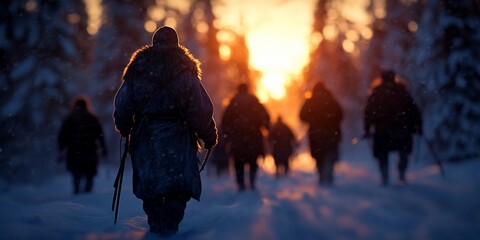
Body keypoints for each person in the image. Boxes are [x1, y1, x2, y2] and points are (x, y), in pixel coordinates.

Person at [113, 26, 218, 236]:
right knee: (177, 186)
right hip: (178, 139)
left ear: (153, 44)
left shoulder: (138, 70)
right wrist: (208, 134)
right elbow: (200, 108)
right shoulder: (185, 71)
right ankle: (169, 227)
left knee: (150, 184)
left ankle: (157, 226)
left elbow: (123, 104)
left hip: (146, 138)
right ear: (176, 44)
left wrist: (125, 126)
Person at [364, 70, 422, 186]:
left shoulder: (376, 93)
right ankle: (401, 174)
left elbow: (368, 113)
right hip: (401, 129)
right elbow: (414, 110)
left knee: (382, 154)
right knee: (403, 151)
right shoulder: (402, 91)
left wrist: (367, 129)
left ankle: (385, 177)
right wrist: (418, 126)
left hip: (382, 131)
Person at [222, 83, 270, 191]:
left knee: (239, 162)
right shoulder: (255, 102)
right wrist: (265, 127)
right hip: (254, 137)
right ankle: (252, 182)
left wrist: (228, 135)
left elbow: (225, 121)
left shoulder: (233, 103)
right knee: (253, 161)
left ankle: (241, 185)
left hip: (237, 138)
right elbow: (266, 117)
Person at [59, 96, 107, 194]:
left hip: (73, 151)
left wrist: (61, 149)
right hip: (89, 151)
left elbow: (62, 135)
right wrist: (103, 148)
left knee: (76, 172)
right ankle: (88, 192)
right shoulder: (92, 118)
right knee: (89, 173)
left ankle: (77, 190)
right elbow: (100, 135)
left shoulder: (69, 118)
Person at [300, 82, 343, 185]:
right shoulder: (331, 100)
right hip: (331, 133)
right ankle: (329, 171)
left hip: (316, 134)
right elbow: (340, 114)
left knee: (319, 155)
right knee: (330, 153)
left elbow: (302, 115)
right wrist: (331, 121)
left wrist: (312, 120)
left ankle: (321, 173)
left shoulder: (310, 101)